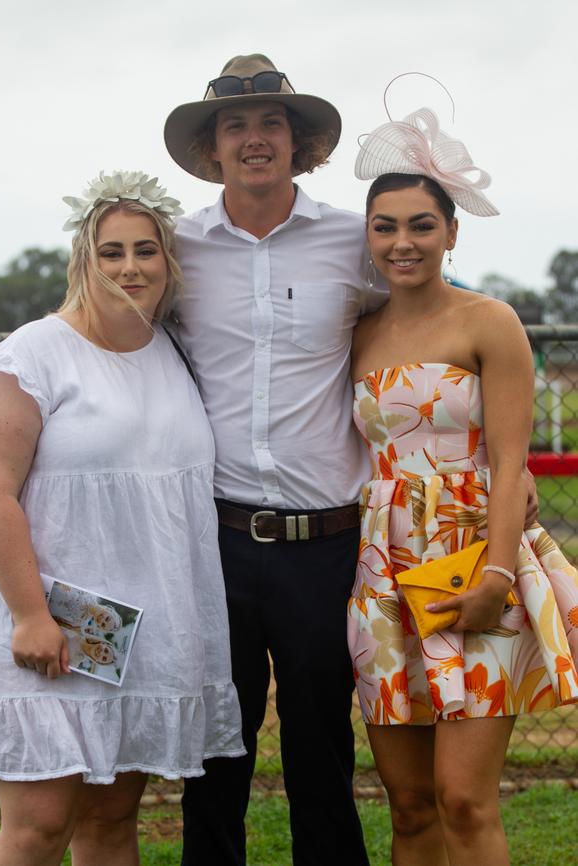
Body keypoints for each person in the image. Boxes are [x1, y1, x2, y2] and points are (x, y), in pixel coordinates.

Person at [0, 170, 244, 866]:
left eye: (147, 250)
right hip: (48, 617)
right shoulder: (34, 354)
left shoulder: (171, 352)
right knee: (39, 825)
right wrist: (30, 616)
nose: (130, 267)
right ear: (84, 256)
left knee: (111, 822)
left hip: (129, 628)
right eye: (112, 251)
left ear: (168, 260)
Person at [164, 53, 387, 866]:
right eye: (236, 126)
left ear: (300, 145)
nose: (255, 139)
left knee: (323, 751)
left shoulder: (354, 242)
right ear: (211, 147)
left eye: (271, 124)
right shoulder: (175, 247)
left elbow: (420, 339)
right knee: (215, 748)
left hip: (324, 543)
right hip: (211, 536)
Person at [347, 107, 578, 865]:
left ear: (451, 231)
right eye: (384, 227)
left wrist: (500, 575)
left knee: (464, 799)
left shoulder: (491, 321)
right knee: (410, 806)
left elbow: (513, 462)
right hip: (385, 572)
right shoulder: (358, 332)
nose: (401, 243)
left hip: (479, 558)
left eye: (420, 225)